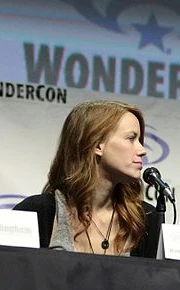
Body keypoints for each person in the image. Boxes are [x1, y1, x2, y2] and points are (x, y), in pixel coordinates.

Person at [14, 99, 160, 257]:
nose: (142, 150)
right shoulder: (37, 212)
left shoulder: (146, 219)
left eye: (139, 140)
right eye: (131, 139)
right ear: (97, 145)